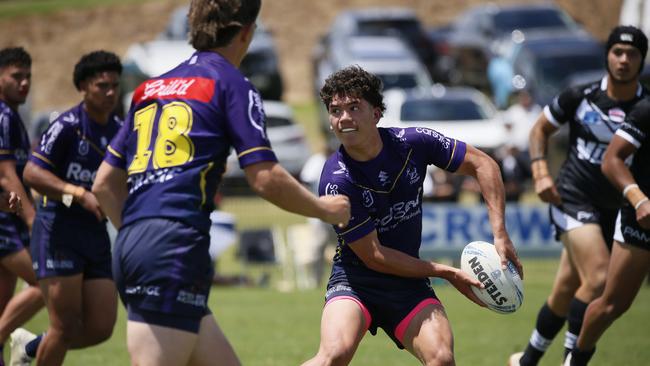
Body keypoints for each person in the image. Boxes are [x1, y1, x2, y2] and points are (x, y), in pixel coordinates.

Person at [91, 1, 350, 365]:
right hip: (173, 245)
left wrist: (140, 236)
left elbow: (104, 184)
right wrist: (325, 208)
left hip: (134, 242)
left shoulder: (149, 90)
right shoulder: (232, 85)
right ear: (246, 32)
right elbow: (265, 178)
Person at [301, 65, 523, 366]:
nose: (344, 119)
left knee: (441, 358)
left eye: (354, 107)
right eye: (336, 111)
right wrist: (444, 271)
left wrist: (500, 233)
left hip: (406, 284)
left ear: (377, 113)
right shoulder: (336, 180)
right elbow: (374, 256)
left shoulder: (413, 142)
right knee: (333, 356)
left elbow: (483, 165)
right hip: (355, 280)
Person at [508, 25, 649, 366]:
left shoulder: (644, 107)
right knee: (598, 278)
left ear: (642, 61)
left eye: (632, 54)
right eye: (618, 52)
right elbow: (539, 128)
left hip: (616, 209)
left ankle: (525, 361)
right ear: (607, 56)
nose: (624, 60)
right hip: (573, 197)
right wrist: (541, 172)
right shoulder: (581, 95)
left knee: (565, 293)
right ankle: (572, 359)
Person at [8, 50, 123, 366]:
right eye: (103, 86)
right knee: (65, 325)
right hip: (59, 232)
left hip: (95, 235)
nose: (111, 92)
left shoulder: (119, 130)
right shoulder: (67, 125)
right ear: (85, 86)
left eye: (115, 85)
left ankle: (30, 346)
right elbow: (32, 173)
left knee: (101, 326)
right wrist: (76, 192)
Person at [564, 96, 650, 365]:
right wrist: (639, 198)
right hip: (642, 216)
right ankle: (574, 361)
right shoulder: (646, 110)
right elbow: (612, 160)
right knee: (612, 304)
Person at [0, 47, 43, 366]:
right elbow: (6, 174)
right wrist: (32, 219)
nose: (24, 83)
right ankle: (23, 347)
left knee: (3, 305)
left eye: (27, 76)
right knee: (48, 283)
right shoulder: (2, 115)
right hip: (6, 224)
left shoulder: (12, 115)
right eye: (16, 76)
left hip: (8, 221)